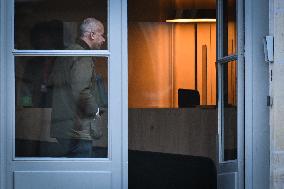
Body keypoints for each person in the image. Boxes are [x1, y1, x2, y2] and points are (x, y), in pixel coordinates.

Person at [48, 18, 106, 157]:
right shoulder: (83, 55)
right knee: (81, 172)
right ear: (92, 35)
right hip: (77, 127)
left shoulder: (68, 52)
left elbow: (53, 82)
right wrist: (96, 110)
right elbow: (81, 91)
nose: (103, 40)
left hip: (64, 125)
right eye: (101, 35)